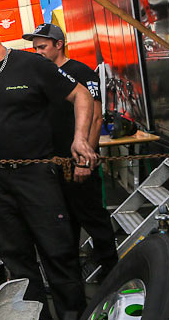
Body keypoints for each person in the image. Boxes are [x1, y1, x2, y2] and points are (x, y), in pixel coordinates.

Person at [0, 12, 97, 320]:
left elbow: (81, 95)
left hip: (38, 175)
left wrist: (80, 139)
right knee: (16, 256)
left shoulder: (32, 65)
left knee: (57, 251)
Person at [25, 22, 117, 277]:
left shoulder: (81, 72)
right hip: (52, 167)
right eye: (35, 48)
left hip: (78, 163)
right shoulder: (42, 77)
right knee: (63, 228)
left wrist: (85, 161)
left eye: (42, 47)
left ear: (59, 44)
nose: (38, 52)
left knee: (95, 222)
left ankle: (114, 276)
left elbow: (96, 118)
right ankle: (72, 282)